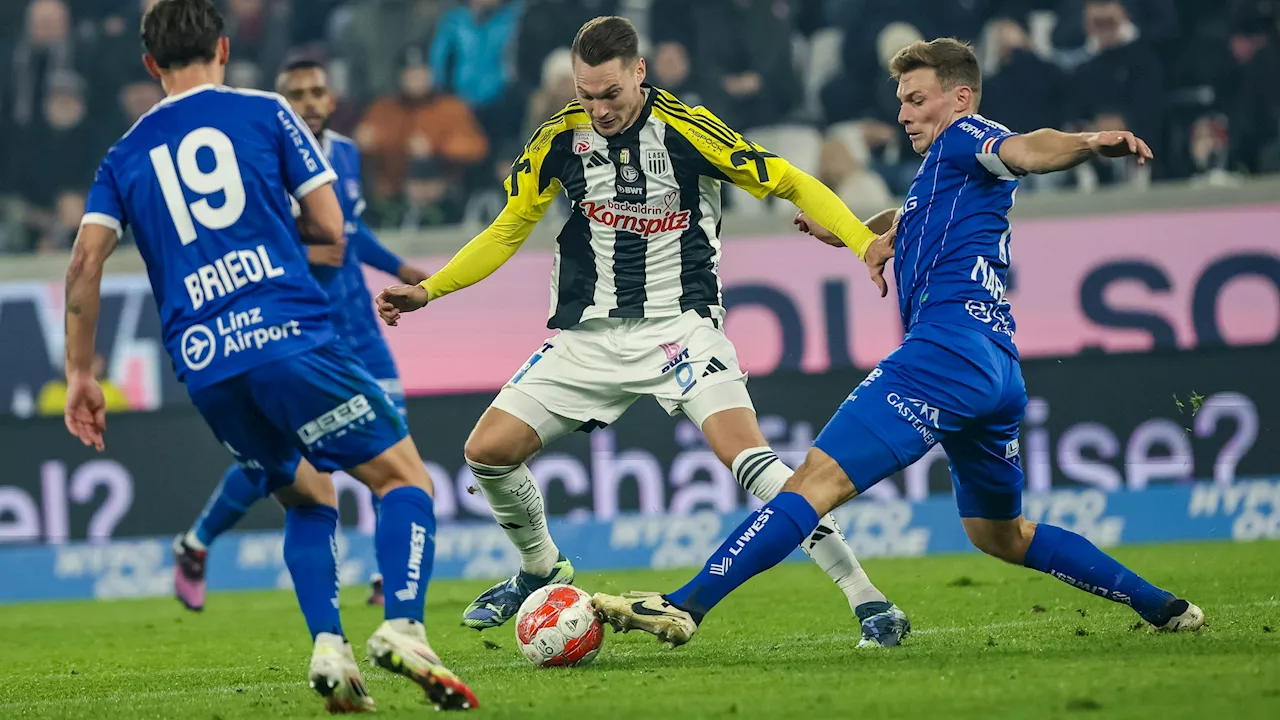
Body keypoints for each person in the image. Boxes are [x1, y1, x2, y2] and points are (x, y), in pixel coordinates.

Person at [590, 37, 1204, 646]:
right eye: (901, 101)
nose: (904, 113)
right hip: (995, 368)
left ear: (959, 98)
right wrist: (859, 233)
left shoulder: (967, 137)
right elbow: (912, 216)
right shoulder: (947, 173)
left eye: (916, 99)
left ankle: (685, 604)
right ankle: (1164, 606)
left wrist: (1089, 143)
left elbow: (1029, 148)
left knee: (813, 482)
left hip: (945, 352)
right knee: (1000, 534)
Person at [376, 16, 910, 649]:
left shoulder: (688, 131)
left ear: (639, 73)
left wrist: (861, 242)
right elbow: (505, 230)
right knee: (486, 452)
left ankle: (868, 598)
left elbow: (789, 181)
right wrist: (430, 289)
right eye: (585, 95)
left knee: (752, 461)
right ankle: (541, 568)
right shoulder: (557, 139)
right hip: (587, 338)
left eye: (610, 94)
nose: (598, 109)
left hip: (680, 330)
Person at [62, 1, 475, 711]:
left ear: (150, 65)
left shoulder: (122, 155)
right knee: (404, 480)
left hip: (208, 366)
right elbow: (330, 227)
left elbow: (83, 264)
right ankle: (404, 626)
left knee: (307, 496)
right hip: (289, 337)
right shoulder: (265, 111)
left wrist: (79, 374)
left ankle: (329, 647)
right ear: (223, 48)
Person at [171, 58, 429, 613]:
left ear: (332, 100)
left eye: (318, 92)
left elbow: (350, 236)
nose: (310, 101)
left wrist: (399, 269)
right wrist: (309, 250)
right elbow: (251, 240)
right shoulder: (259, 157)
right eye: (298, 94)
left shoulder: (346, 154)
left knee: (394, 445)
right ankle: (196, 543)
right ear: (282, 102)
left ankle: (392, 578)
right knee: (283, 466)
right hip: (297, 334)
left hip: (359, 327)